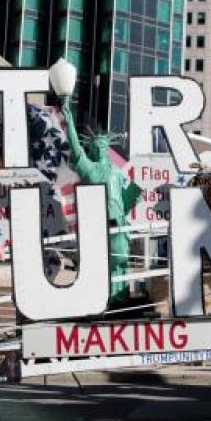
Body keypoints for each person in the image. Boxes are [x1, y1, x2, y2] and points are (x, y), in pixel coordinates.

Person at [60, 96, 142, 305]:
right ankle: (103, 301)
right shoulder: (89, 168)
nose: (98, 149)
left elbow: (123, 200)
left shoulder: (116, 172)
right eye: (95, 146)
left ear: (107, 148)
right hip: (96, 226)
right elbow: (75, 148)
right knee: (99, 265)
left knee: (120, 260)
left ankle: (120, 299)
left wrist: (135, 192)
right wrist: (68, 121)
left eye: (102, 145)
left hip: (118, 222)